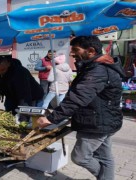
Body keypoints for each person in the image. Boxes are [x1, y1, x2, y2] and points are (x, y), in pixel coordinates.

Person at [37, 36, 124, 180]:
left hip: (96, 123)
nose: (72, 53)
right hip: (105, 120)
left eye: (76, 50)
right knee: (105, 157)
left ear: (90, 51)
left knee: (80, 157)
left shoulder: (98, 70)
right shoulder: (95, 66)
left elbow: (78, 97)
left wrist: (51, 118)